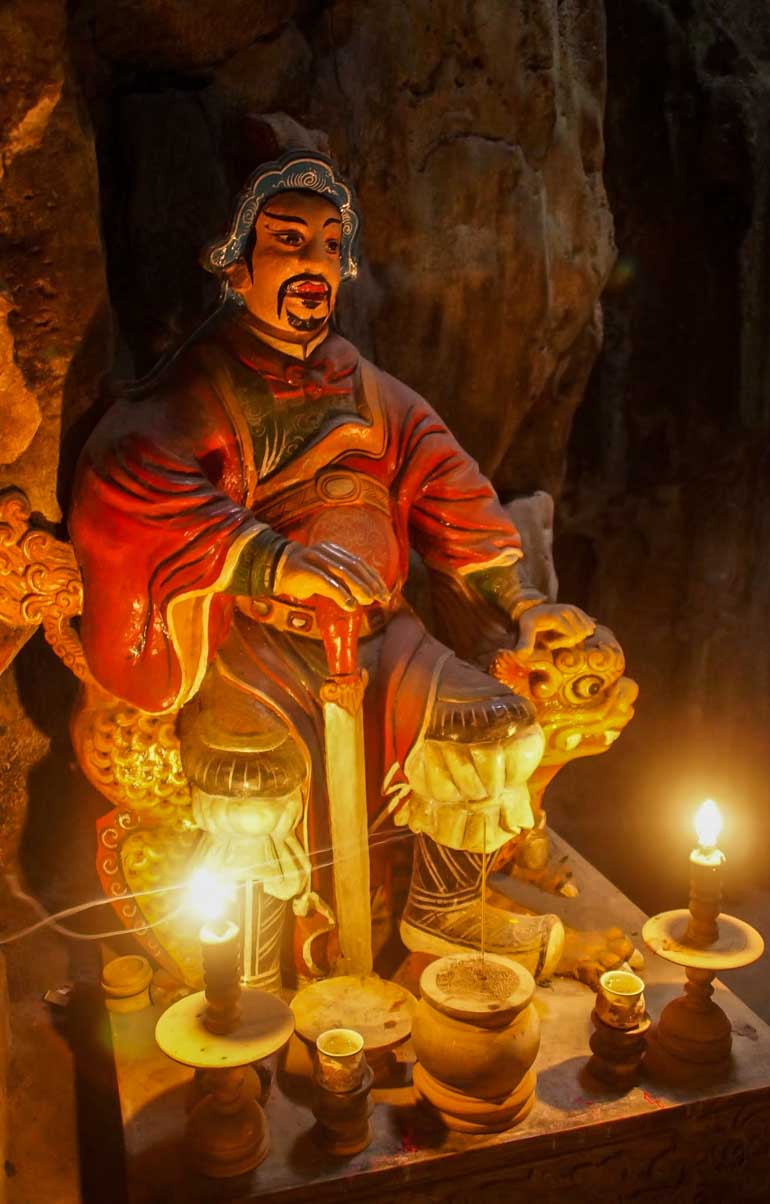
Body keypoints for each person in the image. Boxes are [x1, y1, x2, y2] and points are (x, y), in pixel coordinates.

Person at [70, 150, 595, 988]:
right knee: (250, 788)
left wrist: (521, 601)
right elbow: (128, 474)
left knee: (497, 725)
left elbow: (450, 488)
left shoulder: (370, 387)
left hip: (387, 641)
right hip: (259, 653)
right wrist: (274, 564)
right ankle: (247, 975)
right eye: (287, 241)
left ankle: (445, 910)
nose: (312, 262)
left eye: (326, 244)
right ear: (239, 270)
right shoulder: (201, 386)